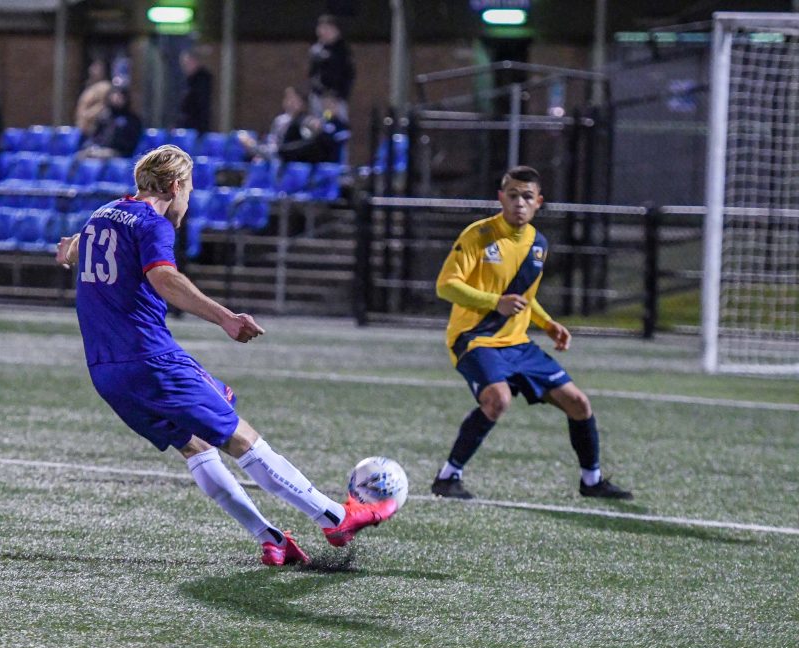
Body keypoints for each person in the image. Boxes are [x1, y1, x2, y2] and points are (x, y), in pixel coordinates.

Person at [54, 144, 396, 566]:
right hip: (152, 361)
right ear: (176, 185)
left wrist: (69, 248)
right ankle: (335, 518)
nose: (188, 200)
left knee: (195, 446)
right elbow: (164, 278)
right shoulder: (151, 223)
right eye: (190, 190)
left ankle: (270, 538)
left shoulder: (99, 216)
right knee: (241, 438)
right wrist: (225, 318)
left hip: (107, 373)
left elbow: (73, 249)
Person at [431, 166, 633, 501]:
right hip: (475, 339)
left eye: (527, 197)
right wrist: (495, 302)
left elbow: (524, 297)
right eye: (512, 195)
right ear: (501, 198)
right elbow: (445, 286)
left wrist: (548, 323)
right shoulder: (478, 235)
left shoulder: (538, 244)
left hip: (518, 344)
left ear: (539, 202)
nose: (519, 203)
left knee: (579, 404)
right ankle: (447, 477)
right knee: (498, 399)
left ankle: (592, 480)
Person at [238, 85, 315, 162]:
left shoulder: (307, 123)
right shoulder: (280, 121)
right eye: (287, 98)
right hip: (276, 156)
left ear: (304, 104)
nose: (289, 103)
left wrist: (252, 146)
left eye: (294, 100)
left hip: (292, 159)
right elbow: (273, 146)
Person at [278, 90, 349, 164]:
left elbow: (336, 140)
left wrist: (322, 131)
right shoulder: (320, 120)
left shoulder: (340, 125)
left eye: (330, 105)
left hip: (331, 159)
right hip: (314, 156)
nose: (328, 108)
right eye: (325, 105)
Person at [307, 15, 355, 121]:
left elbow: (348, 76)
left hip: (337, 100)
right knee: (318, 124)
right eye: (322, 28)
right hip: (319, 97)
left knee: (336, 123)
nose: (325, 32)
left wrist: (336, 96)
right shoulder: (316, 51)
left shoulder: (344, 52)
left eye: (328, 29)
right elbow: (313, 75)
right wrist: (323, 94)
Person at [78, 84, 142, 159]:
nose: (116, 98)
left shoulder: (132, 119)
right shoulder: (104, 116)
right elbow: (95, 136)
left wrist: (113, 147)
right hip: (99, 149)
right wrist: (93, 145)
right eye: (114, 95)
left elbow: (131, 142)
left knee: (99, 158)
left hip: (118, 152)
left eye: (120, 96)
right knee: (79, 156)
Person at [177, 50, 212, 133]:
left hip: (196, 125)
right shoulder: (189, 81)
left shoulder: (201, 81)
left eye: (186, 64)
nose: (184, 67)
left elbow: (200, 104)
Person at [75, 59, 113, 135]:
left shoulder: (105, 87)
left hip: (95, 128)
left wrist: (87, 115)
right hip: (82, 128)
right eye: (93, 67)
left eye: (97, 68)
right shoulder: (88, 86)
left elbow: (103, 106)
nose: (92, 70)